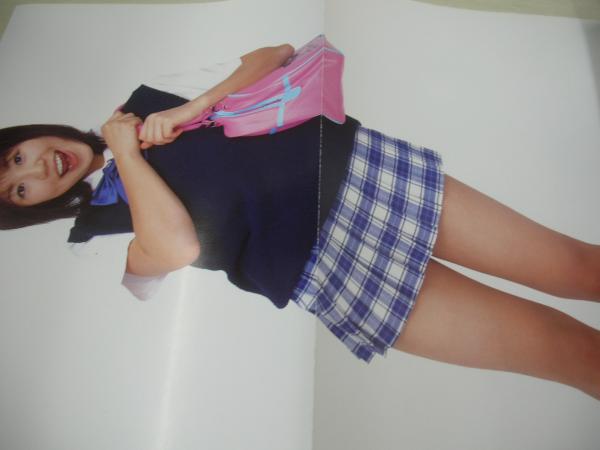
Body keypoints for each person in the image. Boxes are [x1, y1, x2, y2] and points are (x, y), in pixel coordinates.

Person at [1, 41, 599, 401]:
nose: (37, 169)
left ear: (26, 135)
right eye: (19, 190)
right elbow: (176, 246)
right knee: (568, 352)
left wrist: (193, 107)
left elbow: (276, 56)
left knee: (581, 268)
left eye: (15, 157)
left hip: (356, 173)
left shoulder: (142, 98)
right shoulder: (92, 240)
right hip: (331, 270)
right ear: (31, 210)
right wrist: (126, 154)